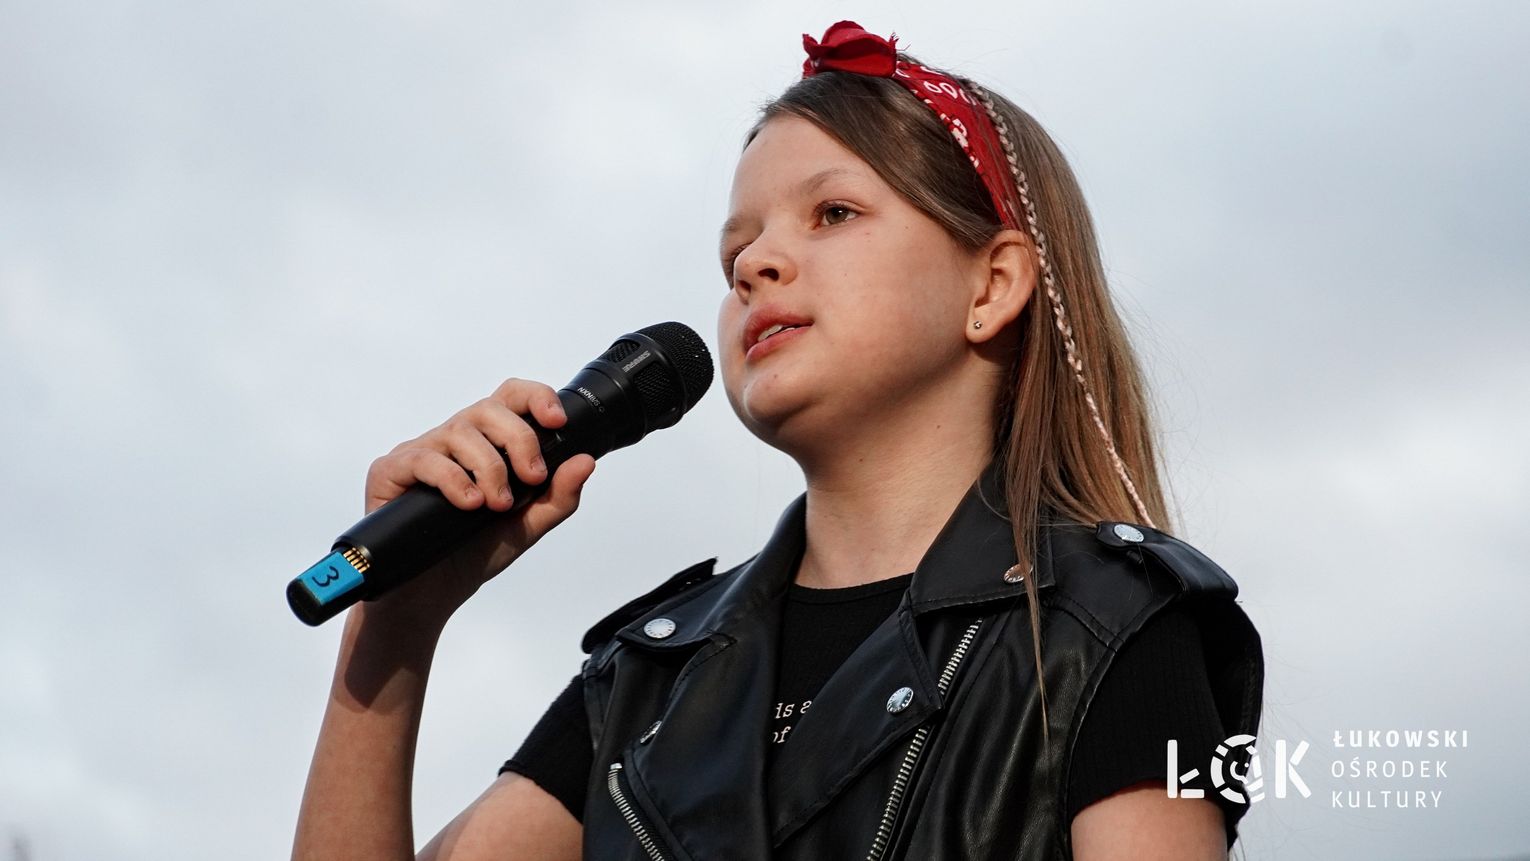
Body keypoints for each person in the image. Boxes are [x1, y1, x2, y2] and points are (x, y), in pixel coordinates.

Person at [291, 19, 1265, 861]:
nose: (757, 262)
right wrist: (395, 631)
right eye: (735, 252)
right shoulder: (647, 679)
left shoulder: (1115, 628)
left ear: (993, 285)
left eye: (833, 213)